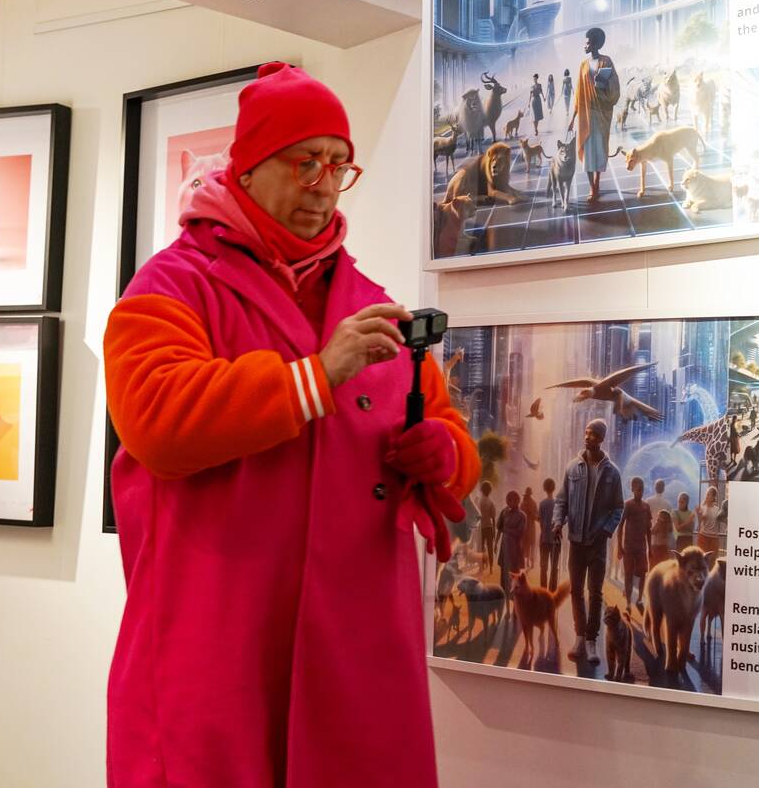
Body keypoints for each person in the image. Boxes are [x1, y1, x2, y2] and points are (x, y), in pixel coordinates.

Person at [103, 62, 480, 787]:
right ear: (246, 168)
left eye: (338, 166)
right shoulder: (171, 285)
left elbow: (445, 428)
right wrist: (314, 377)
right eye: (305, 162)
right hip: (221, 642)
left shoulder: (370, 301)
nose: (324, 186)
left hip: (356, 653)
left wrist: (447, 454)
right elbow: (156, 421)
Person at [553, 418, 624, 665]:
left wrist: (606, 530)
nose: (587, 437)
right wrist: (557, 522)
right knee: (576, 591)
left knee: (595, 593)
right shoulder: (572, 468)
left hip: (597, 543)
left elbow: (618, 508)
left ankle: (592, 641)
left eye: (593, 434)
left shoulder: (612, 473)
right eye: (586, 432)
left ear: (601, 438)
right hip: (576, 542)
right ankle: (580, 638)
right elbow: (561, 501)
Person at [567, 27, 620, 203]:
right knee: (588, 152)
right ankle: (592, 187)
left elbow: (614, 85)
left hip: (601, 113)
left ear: (595, 44)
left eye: (588, 42)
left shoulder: (606, 61)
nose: (585, 45)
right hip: (586, 115)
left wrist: (602, 84)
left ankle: (597, 183)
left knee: (599, 150)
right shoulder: (583, 65)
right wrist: (573, 118)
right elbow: (579, 93)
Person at [618, 477, 651, 611]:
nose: (640, 492)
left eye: (642, 490)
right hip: (629, 547)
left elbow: (648, 529)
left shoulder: (646, 507)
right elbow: (620, 525)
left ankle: (639, 599)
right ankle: (628, 603)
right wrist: (619, 546)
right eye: (638, 490)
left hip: (641, 547)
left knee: (642, 574)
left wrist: (650, 548)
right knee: (628, 574)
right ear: (632, 489)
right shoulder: (628, 505)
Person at [497, 489, 528, 605]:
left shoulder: (522, 516)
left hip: (514, 551)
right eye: (508, 500)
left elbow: (520, 532)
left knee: (514, 576)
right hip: (504, 549)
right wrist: (502, 515)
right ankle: (505, 602)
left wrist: (507, 530)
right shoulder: (505, 512)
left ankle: (515, 604)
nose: (509, 502)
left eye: (511, 500)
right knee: (504, 576)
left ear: (517, 501)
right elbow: (499, 527)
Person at [538, 477, 560, 590]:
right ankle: (552, 591)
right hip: (555, 539)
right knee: (554, 567)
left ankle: (543, 590)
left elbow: (540, 521)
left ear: (544, 488)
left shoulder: (542, 504)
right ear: (554, 488)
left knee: (543, 567)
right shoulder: (558, 504)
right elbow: (563, 520)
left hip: (544, 538)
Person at [478, 480, 497, 572]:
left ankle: (481, 566)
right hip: (489, 527)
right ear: (490, 491)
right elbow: (493, 518)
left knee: (481, 547)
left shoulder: (479, 501)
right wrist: (494, 530)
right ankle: (491, 567)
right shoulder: (491, 502)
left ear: (482, 490)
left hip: (481, 527)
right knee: (490, 548)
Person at [696, 486, 721, 554]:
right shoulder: (703, 508)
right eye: (707, 494)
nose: (707, 496)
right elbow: (700, 521)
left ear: (713, 497)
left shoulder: (717, 509)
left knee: (713, 558)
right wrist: (698, 514)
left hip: (714, 538)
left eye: (709, 494)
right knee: (702, 556)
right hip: (703, 536)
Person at [520, 486, 539, 569]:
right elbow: (536, 516)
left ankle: (526, 562)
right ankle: (531, 562)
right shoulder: (533, 503)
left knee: (525, 545)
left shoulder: (522, 503)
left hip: (524, 528)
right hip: (531, 528)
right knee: (532, 545)